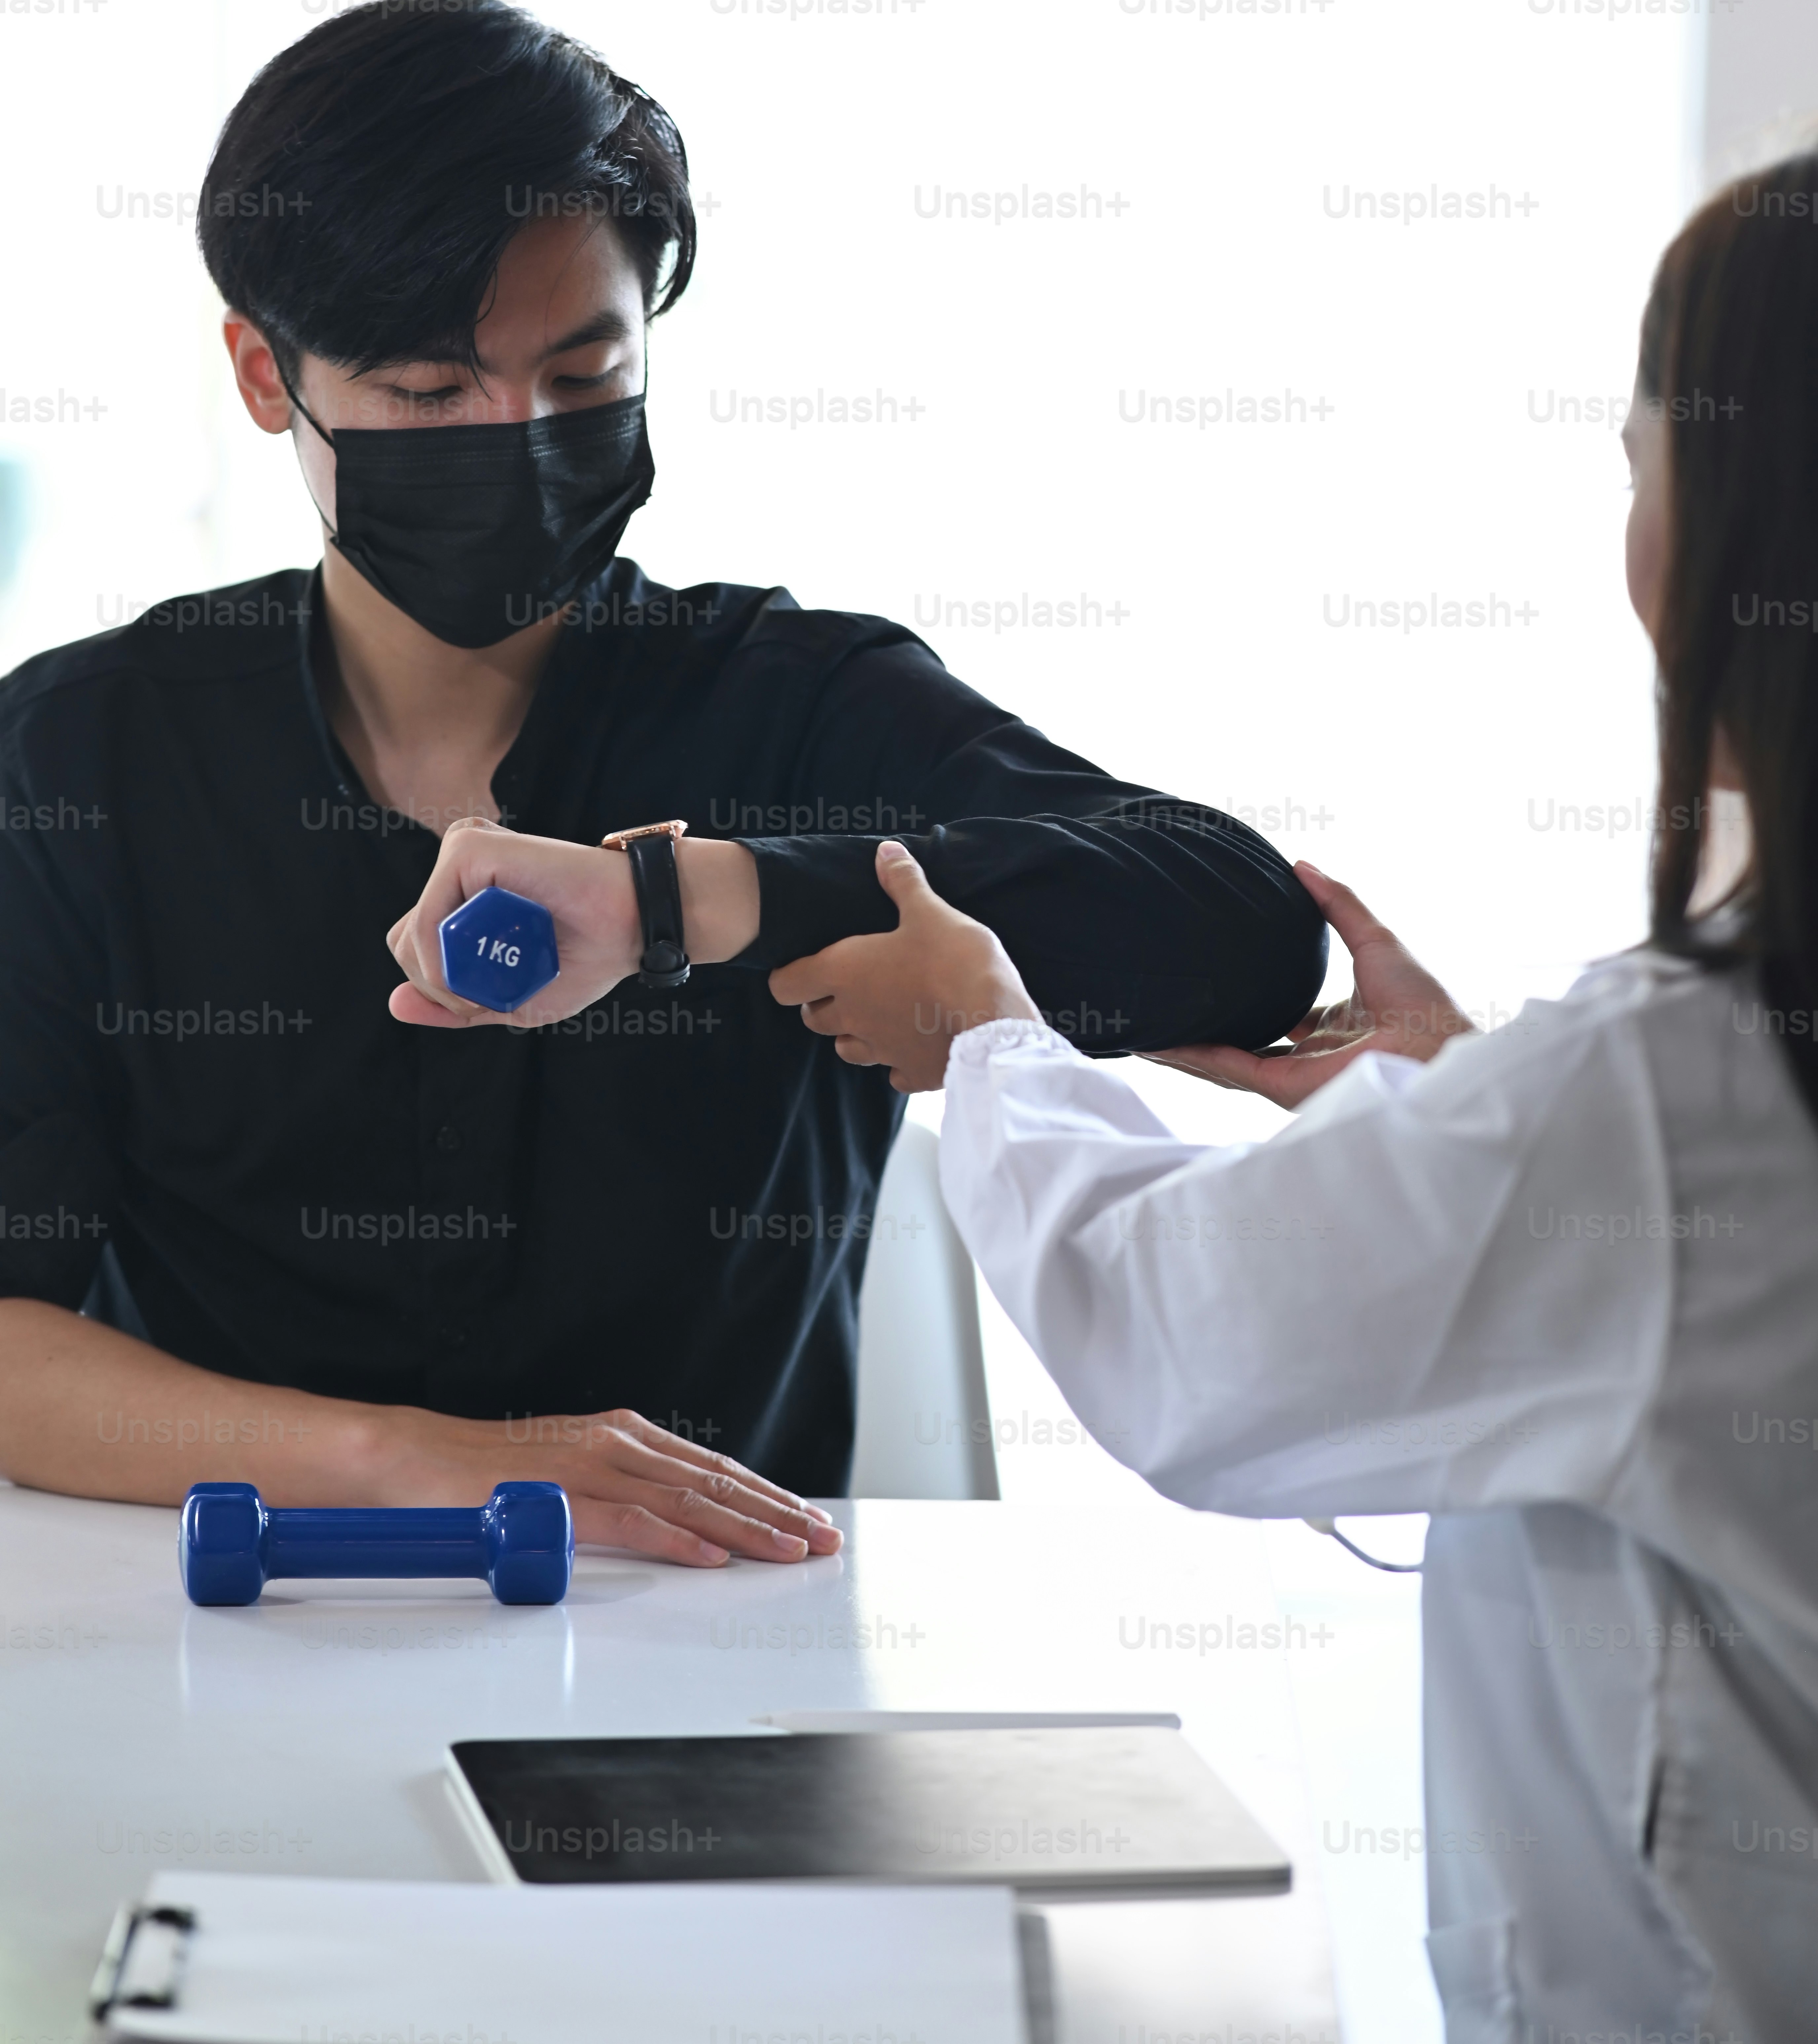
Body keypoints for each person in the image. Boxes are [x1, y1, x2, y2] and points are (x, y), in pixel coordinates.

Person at [418, 160, 1818, 2032]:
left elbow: (1186, 1303)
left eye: (1643, 464)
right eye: (437, 395)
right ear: (272, 376)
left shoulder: (1679, 1084)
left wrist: (961, 1023)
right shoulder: (1670, 1100)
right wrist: (1481, 1124)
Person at [0, 0, 1325, 1561]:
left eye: (579, 378)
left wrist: (689, 901)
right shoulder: (79, 761)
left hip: (720, 1662)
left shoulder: (797, 707)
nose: (518, 438)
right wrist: (423, 1464)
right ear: (262, 374)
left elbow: (1237, 926)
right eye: (430, 396)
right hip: (220, 1616)